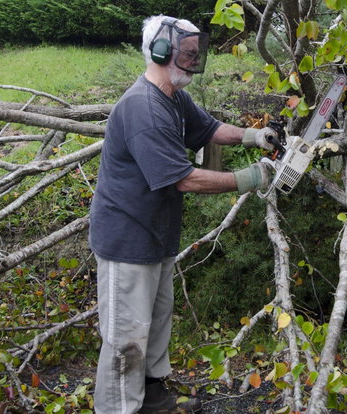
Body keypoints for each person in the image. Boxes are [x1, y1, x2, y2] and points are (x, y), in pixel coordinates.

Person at [88, 15, 277, 414]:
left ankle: (152, 396)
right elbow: (183, 179)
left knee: (155, 323)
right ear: (161, 50)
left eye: (196, 52)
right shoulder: (143, 108)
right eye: (188, 53)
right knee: (126, 337)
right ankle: (121, 408)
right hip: (127, 238)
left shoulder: (173, 97)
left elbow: (208, 129)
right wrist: (250, 177)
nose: (195, 59)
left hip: (155, 235)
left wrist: (254, 136)